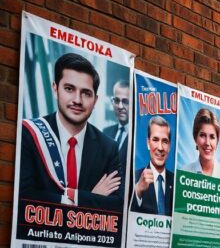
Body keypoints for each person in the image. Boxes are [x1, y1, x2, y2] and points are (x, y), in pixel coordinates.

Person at [20, 53, 122, 211]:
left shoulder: (109, 148)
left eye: (86, 93)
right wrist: (85, 199)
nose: (77, 100)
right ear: (55, 89)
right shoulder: (29, 134)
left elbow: (116, 206)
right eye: (69, 89)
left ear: (95, 100)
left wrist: (60, 198)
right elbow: (25, 197)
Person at [131, 116, 174, 215]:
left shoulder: (177, 182)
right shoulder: (134, 177)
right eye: (155, 140)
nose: (160, 147)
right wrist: (137, 191)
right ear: (148, 143)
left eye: (165, 141)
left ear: (169, 146)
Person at [180, 108, 220, 180]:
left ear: (217, 141)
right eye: (202, 135)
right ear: (195, 138)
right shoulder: (184, 173)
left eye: (212, 137)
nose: (207, 143)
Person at [102, 79, 131, 175]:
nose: (120, 106)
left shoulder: (139, 137)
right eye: (117, 100)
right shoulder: (106, 133)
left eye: (125, 101)